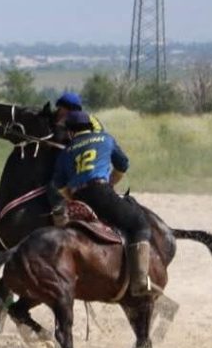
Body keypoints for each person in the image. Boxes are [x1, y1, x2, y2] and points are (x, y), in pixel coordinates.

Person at [50, 111, 153, 297]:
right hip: (101, 192)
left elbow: (59, 185)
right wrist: (111, 183)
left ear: (71, 133)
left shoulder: (66, 151)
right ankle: (139, 281)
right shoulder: (106, 139)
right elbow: (123, 164)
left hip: (78, 197)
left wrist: (72, 199)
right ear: (90, 127)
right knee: (139, 224)